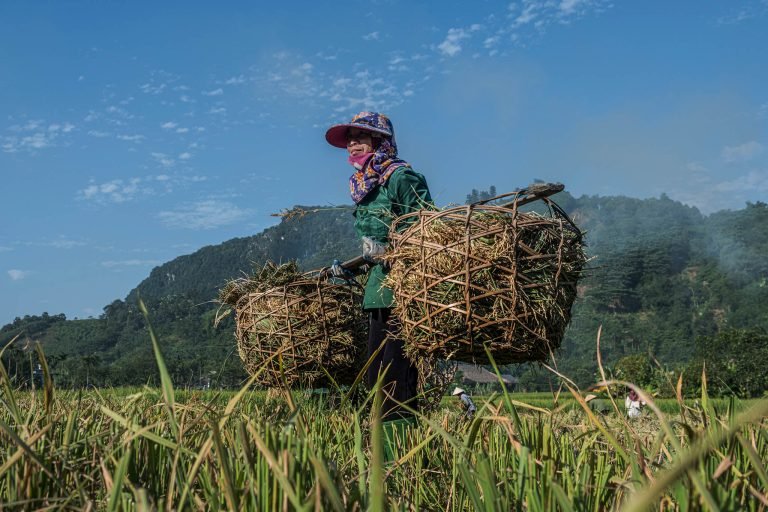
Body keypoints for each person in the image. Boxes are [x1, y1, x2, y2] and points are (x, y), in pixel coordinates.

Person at [325, 111, 432, 458]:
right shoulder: (363, 188)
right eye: (351, 138)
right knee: (375, 378)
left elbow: (427, 229)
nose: (353, 144)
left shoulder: (401, 177)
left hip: (404, 290)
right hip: (376, 294)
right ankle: (383, 455)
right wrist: (350, 270)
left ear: (381, 141)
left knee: (396, 377)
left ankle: (403, 455)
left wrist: (394, 246)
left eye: (362, 137)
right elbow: (372, 248)